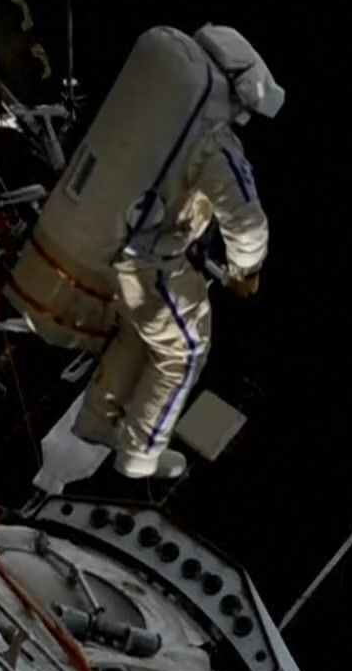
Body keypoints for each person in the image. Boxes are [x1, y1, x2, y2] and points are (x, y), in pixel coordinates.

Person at [73, 25, 283, 478]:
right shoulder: (213, 140)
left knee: (138, 335)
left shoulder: (161, 112)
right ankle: (140, 454)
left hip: (115, 247)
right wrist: (246, 271)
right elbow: (247, 221)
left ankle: (96, 422)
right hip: (153, 262)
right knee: (185, 349)